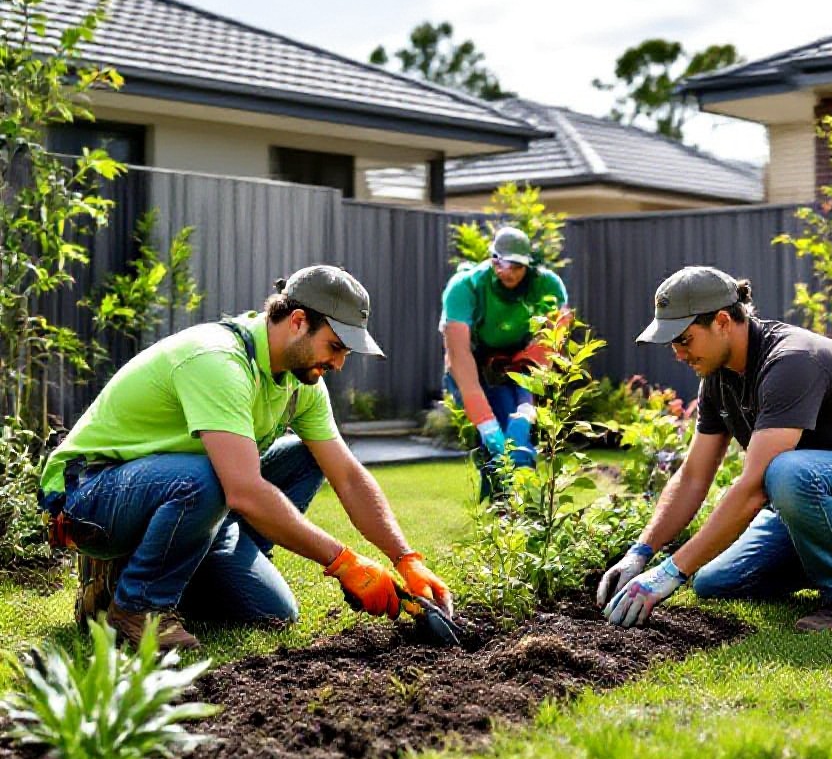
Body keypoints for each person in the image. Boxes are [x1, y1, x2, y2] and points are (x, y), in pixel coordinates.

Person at [39, 265, 452, 651]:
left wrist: (405, 558)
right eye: (336, 346)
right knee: (217, 478)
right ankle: (135, 606)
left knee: (272, 611)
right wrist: (343, 562)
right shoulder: (218, 360)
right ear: (297, 322)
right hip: (92, 496)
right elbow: (243, 491)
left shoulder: (301, 383)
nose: (340, 363)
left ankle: (180, 568)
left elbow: (346, 475)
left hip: (184, 491)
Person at [597, 266, 832, 632]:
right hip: (819, 498)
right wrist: (640, 553)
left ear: (723, 321)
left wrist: (668, 572)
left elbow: (754, 488)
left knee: (785, 472)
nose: (678, 353)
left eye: (684, 339)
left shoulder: (791, 361)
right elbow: (694, 476)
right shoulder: (717, 380)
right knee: (714, 582)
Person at [439, 226, 570, 498]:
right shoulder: (466, 288)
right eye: (501, 262)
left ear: (528, 264)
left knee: (519, 433)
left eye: (516, 265)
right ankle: (500, 504)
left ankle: (523, 506)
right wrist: (486, 424)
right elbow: (459, 359)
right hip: (475, 365)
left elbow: (548, 346)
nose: (507, 271)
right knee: (495, 430)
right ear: (491, 258)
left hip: (520, 363)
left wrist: (526, 406)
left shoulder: (547, 286)